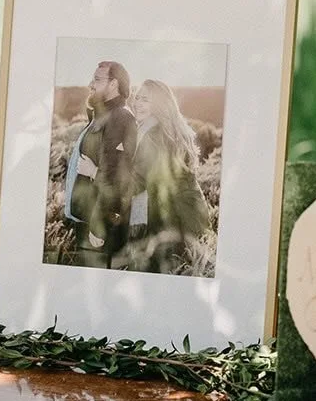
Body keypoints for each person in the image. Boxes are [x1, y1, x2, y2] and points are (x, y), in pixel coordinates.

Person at [128, 78, 211, 273]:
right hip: (188, 218)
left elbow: (137, 184)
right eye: (137, 98)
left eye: (145, 100)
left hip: (171, 225)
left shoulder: (152, 136)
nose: (138, 104)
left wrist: (96, 174)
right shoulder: (167, 131)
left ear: (159, 104)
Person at [62, 59, 138, 267]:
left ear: (114, 84)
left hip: (97, 226)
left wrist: (99, 225)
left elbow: (116, 176)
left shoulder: (119, 118)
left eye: (97, 79)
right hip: (86, 218)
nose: (90, 84)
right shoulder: (103, 116)